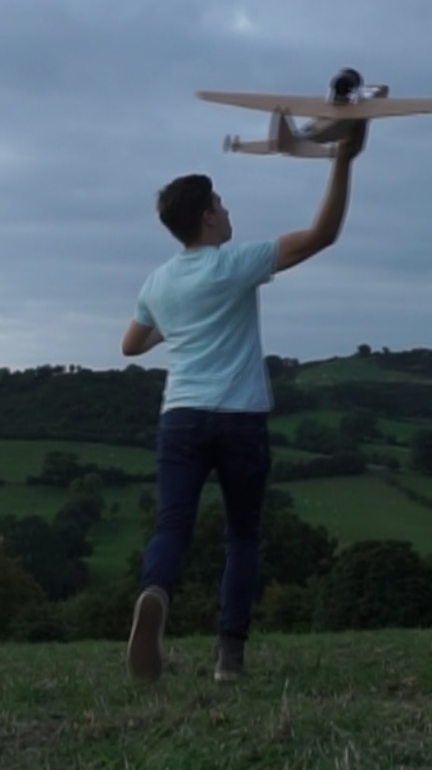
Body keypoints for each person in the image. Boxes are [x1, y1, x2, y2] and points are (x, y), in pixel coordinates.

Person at [120, 120, 367, 683]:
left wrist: (177, 322)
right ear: (207, 217)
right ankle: (228, 657)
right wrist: (343, 161)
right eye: (222, 205)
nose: (228, 212)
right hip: (239, 420)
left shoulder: (157, 282)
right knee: (243, 535)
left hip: (180, 418)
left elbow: (131, 345)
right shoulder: (235, 264)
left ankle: (155, 594)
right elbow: (322, 234)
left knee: (172, 526)